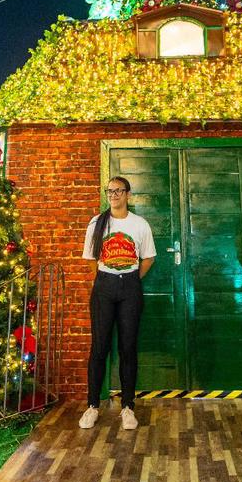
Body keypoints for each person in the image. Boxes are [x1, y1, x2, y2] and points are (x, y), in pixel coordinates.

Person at [79, 175, 156, 431]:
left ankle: (128, 407)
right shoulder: (97, 223)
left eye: (119, 191)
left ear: (128, 195)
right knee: (99, 347)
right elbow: (91, 259)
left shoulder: (140, 224)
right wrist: (107, 278)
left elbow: (148, 259)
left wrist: (129, 280)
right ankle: (92, 406)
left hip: (130, 287)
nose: (114, 195)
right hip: (104, 286)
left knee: (127, 347)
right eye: (110, 191)